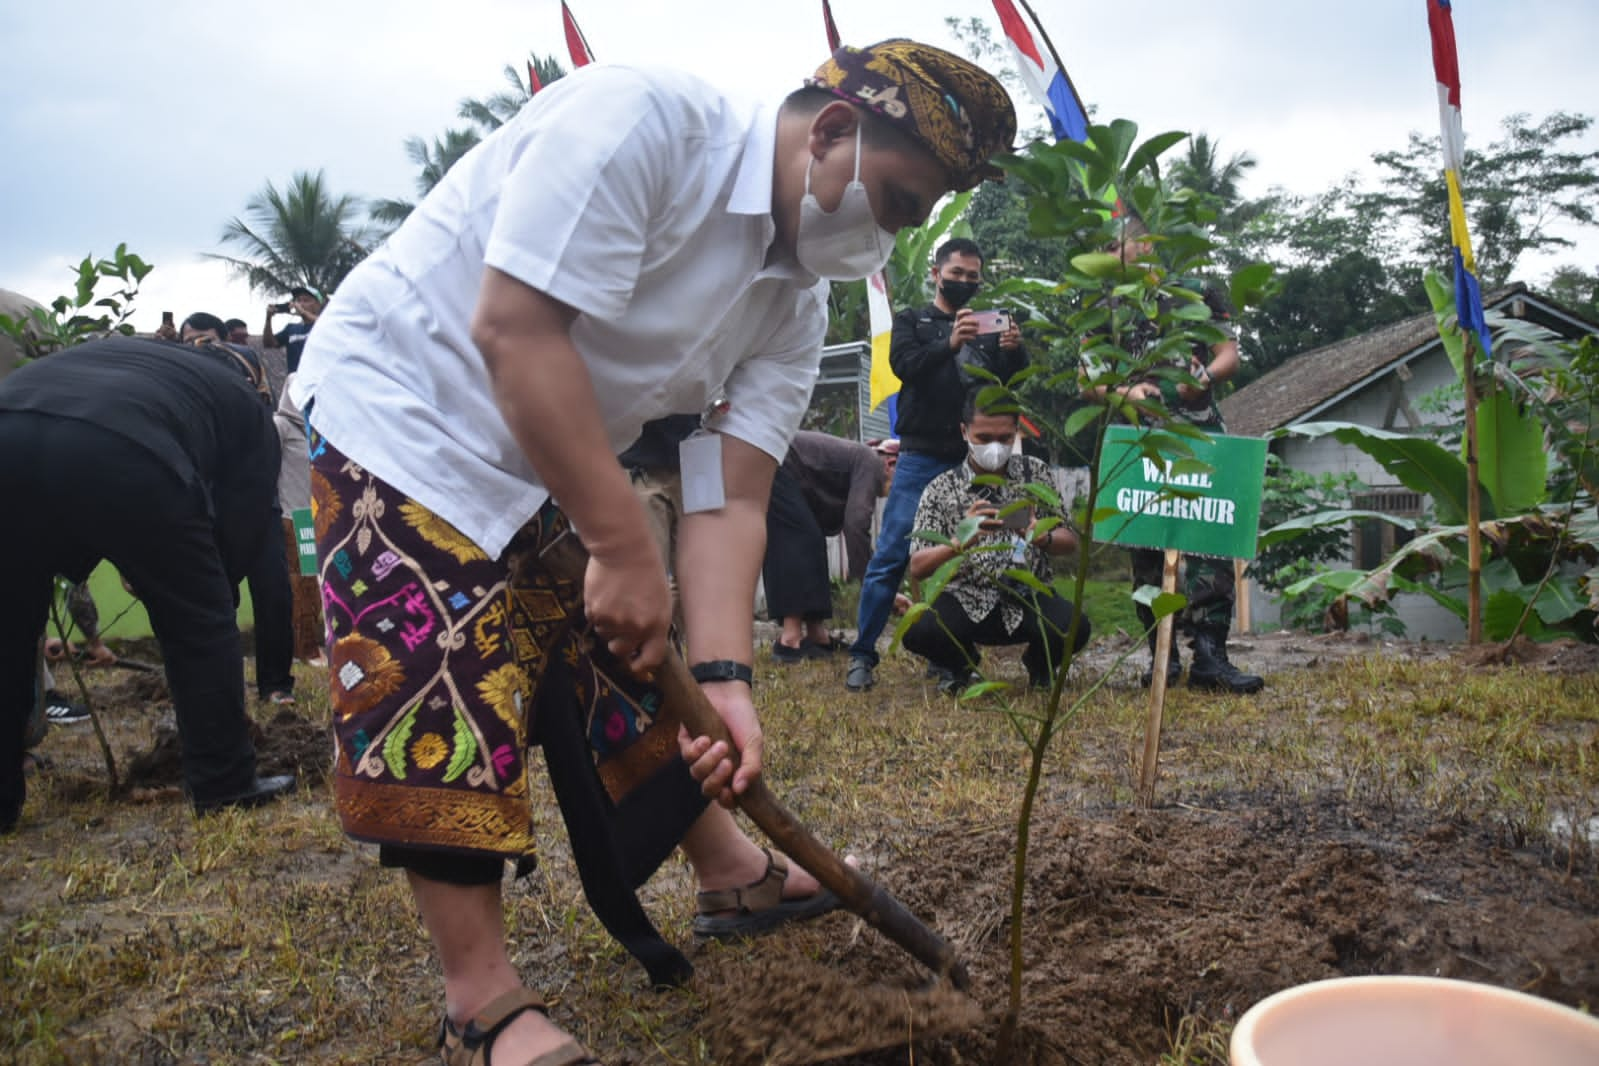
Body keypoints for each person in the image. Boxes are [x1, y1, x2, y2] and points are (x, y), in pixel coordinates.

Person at [287, 41, 1014, 1064]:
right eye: (898, 200)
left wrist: (724, 680)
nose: (897, 232)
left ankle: (729, 870)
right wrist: (620, 540)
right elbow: (516, 329)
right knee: (439, 662)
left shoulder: (794, 299)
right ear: (835, 133)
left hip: (547, 446)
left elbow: (729, 486)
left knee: (623, 664)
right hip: (408, 404)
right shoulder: (642, 124)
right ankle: (481, 1003)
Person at [0, 335, 297, 833]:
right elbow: (244, 527)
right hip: (122, 450)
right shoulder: (242, 399)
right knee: (201, 622)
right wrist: (197, 585)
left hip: (8, 427)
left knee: (6, 628)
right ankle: (224, 781)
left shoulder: (130, 358)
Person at [847, 237, 1027, 691]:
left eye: (972, 276)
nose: (964, 282)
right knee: (892, 555)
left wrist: (1012, 350)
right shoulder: (911, 320)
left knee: (967, 555)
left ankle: (947, 654)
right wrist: (949, 343)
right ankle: (863, 654)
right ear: (936, 272)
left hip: (973, 460)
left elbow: (1004, 387)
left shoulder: (987, 328)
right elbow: (904, 365)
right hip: (920, 455)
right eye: (957, 273)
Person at [1097, 212, 1263, 694]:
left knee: (1212, 542)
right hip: (1139, 441)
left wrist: (1203, 380)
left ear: (1144, 246)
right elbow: (1090, 379)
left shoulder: (1196, 292)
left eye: (1114, 247)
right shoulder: (1102, 305)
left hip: (1199, 435)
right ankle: (1160, 655)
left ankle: (1211, 655)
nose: (1108, 258)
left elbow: (1228, 355)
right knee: (1146, 550)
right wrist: (1125, 394)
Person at [902, 392, 1090, 693]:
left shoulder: (1035, 474)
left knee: (1074, 626)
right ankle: (960, 664)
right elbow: (918, 565)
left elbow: (1069, 541)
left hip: (1027, 593)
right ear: (964, 431)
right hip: (964, 597)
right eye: (984, 436)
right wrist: (960, 541)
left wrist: (1043, 537)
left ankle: (1040, 665)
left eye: (1004, 438)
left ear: (1016, 432)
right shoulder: (941, 488)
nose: (995, 447)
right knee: (920, 630)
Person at [182, 312, 297, 703]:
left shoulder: (248, 381)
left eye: (206, 340)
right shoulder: (181, 396)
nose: (199, 348)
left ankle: (276, 684)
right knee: (217, 599)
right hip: (206, 510)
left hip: (258, 507)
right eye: (190, 341)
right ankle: (221, 687)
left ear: (225, 342)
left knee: (275, 594)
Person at [764, 431, 891, 661]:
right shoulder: (872, 463)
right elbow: (856, 524)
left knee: (813, 542)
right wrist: (872, 583)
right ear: (891, 464)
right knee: (797, 541)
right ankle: (790, 640)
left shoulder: (861, 462)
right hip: (779, 460)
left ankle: (816, 634)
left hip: (789, 467)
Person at [262, 285, 322, 374]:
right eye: (298, 300)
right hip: (297, 381)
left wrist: (303, 312)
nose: (300, 304)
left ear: (318, 304)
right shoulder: (291, 328)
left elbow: (324, 324)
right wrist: (268, 319)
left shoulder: (326, 324)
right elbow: (269, 343)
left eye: (306, 300)